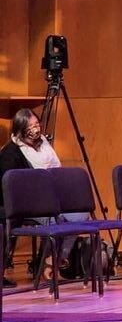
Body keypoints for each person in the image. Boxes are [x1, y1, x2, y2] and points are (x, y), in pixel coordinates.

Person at [0, 108, 90, 281]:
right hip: (28, 206)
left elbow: (56, 172)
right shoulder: (10, 154)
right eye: (31, 126)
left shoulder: (44, 146)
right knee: (58, 220)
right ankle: (44, 264)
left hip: (53, 200)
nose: (36, 129)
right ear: (21, 130)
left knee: (80, 215)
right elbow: (12, 189)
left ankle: (54, 259)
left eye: (36, 124)